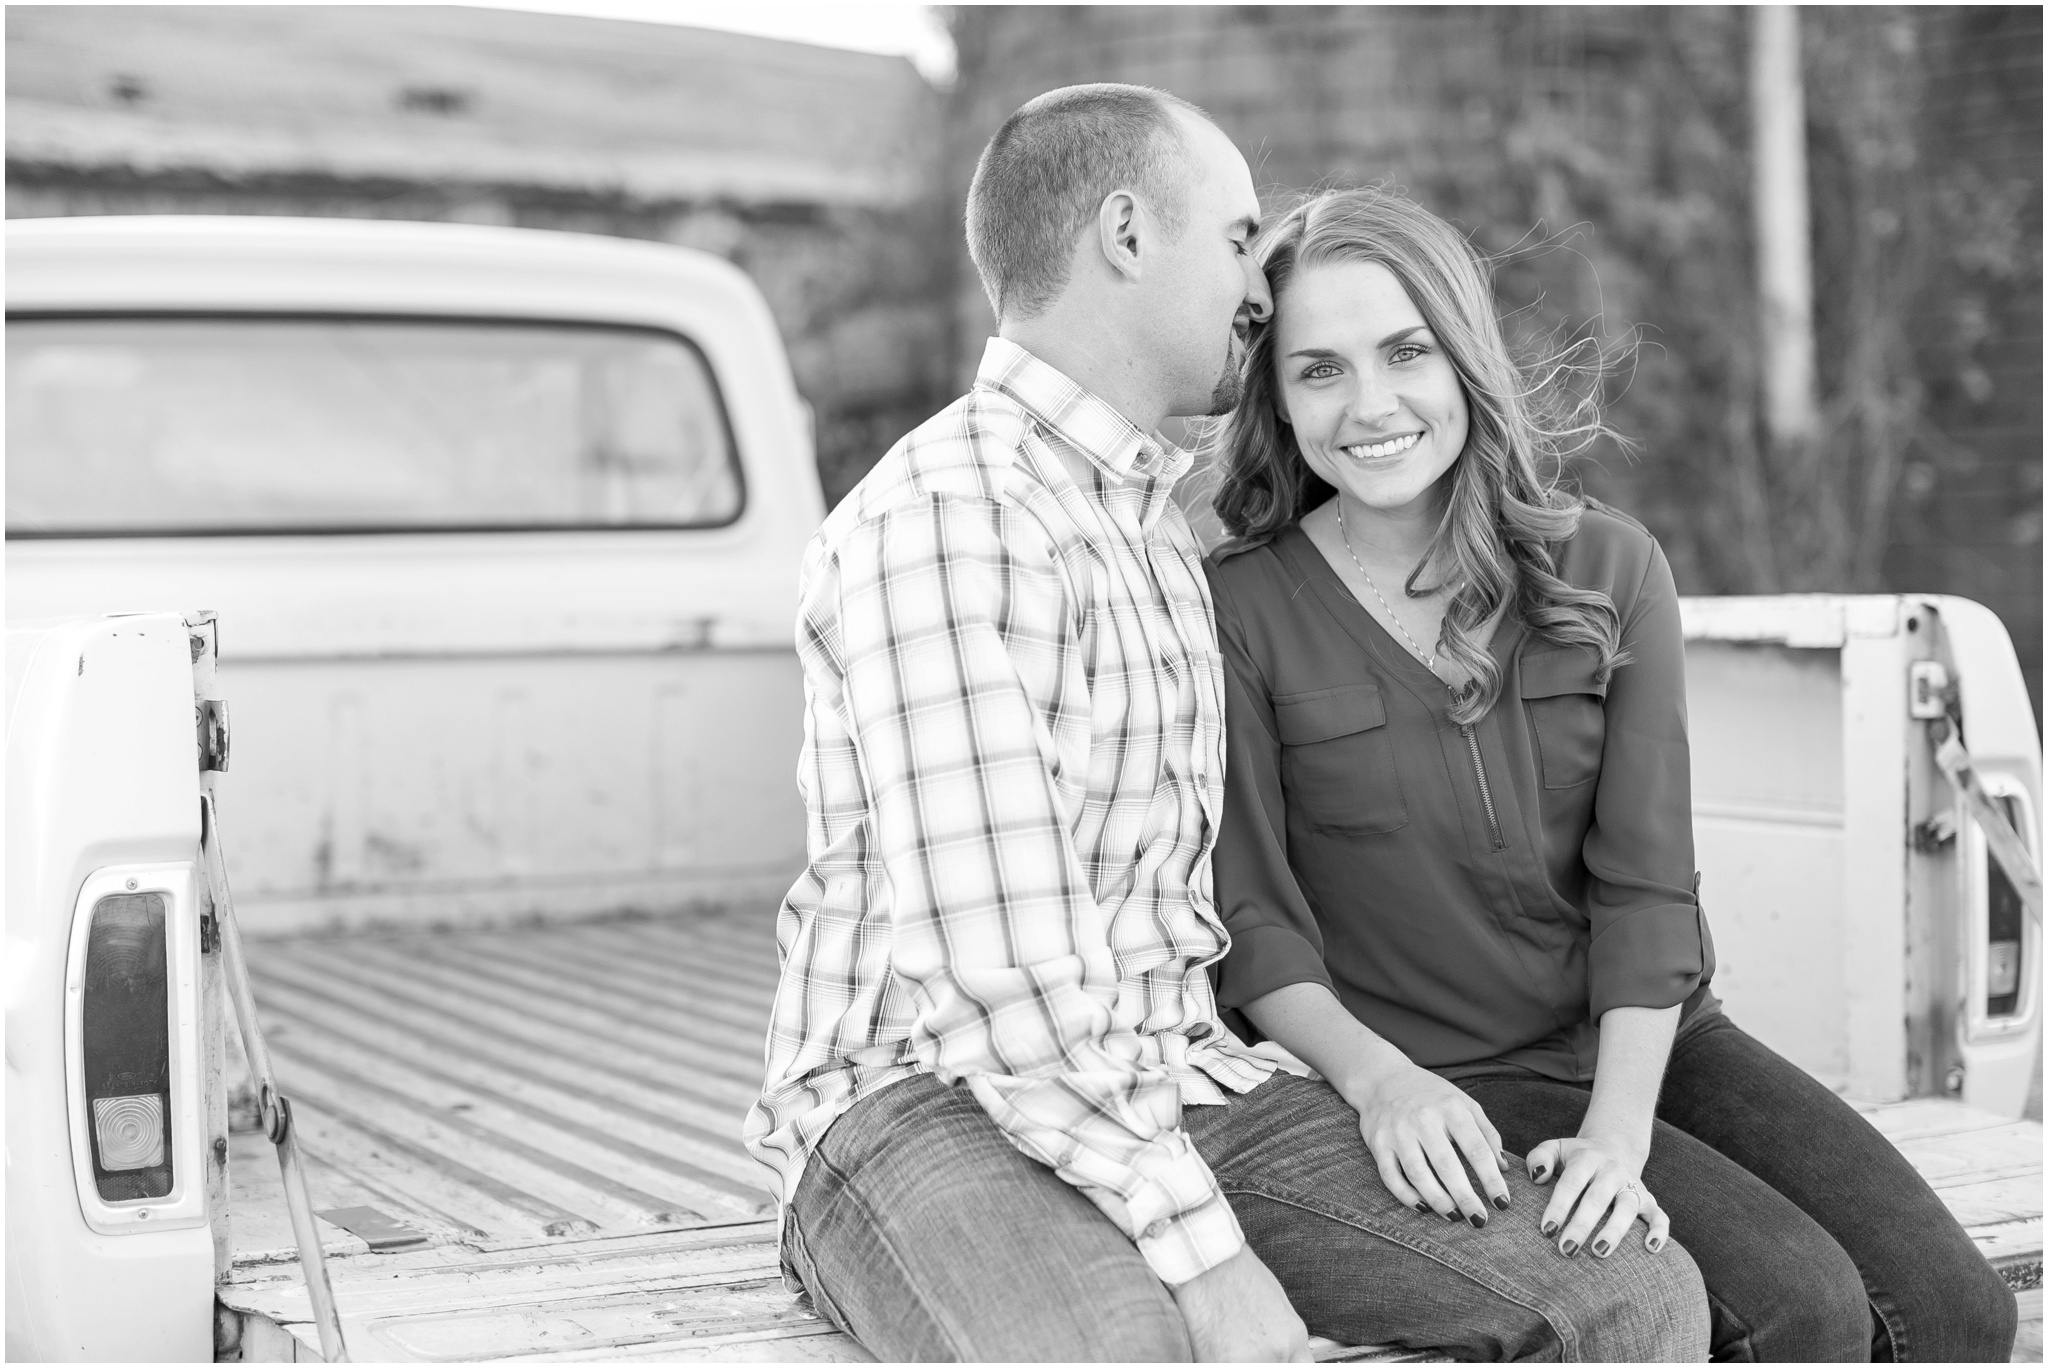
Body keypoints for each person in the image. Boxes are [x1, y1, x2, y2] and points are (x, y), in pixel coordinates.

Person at [744, 85, 1711, 1363]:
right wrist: (1207, 1266)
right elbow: (1005, 990)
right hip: (930, 1098)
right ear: (1129, 235)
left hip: (1184, 1080)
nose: (1258, 285)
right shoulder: (949, 521)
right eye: (1236, 234)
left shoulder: (1147, 521)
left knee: (1624, 1302)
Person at [1206, 186, 2019, 1362]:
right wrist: (1380, 1085)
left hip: (1650, 1035)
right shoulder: (1240, 606)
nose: (1369, 404)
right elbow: (1252, 921)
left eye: (1404, 352)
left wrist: (1618, 1133)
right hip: (1448, 1074)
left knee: (1955, 1313)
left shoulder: (1605, 567)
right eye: (1317, 369)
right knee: (1803, 1312)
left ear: (1463, 358)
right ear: (1277, 399)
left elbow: (1645, 885)